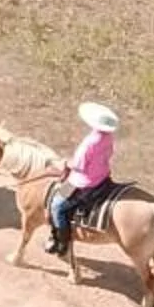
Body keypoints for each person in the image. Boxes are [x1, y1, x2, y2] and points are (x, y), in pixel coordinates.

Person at [48, 102, 121, 257]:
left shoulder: (89, 143)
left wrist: (64, 163)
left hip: (81, 182)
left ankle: (62, 242)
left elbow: (79, 166)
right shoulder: (109, 137)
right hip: (102, 177)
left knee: (56, 205)